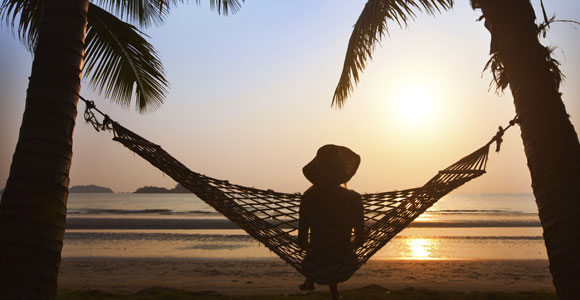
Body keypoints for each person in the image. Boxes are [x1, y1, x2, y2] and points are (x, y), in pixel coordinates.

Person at [298, 144, 365, 300]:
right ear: (342, 170)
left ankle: (311, 281)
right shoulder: (354, 199)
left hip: (313, 266)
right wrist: (347, 246)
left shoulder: (308, 198)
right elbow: (360, 239)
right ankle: (334, 294)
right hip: (345, 265)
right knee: (332, 248)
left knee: (321, 248)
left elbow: (301, 241)